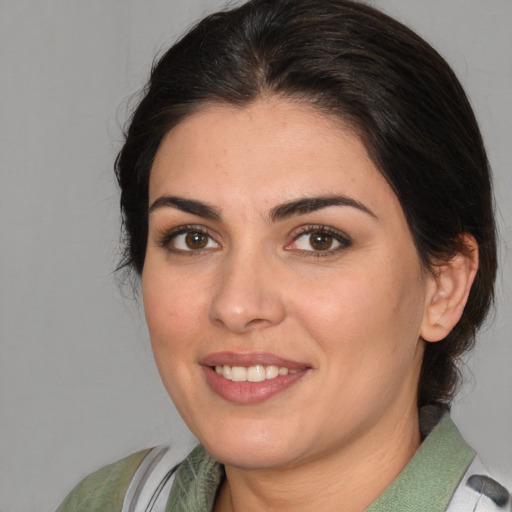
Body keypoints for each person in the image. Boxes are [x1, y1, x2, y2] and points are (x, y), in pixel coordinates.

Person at [56, 0, 510, 510]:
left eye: (319, 239)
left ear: (443, 287)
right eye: (193, 238)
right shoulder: (107, 502)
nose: (236, 304)